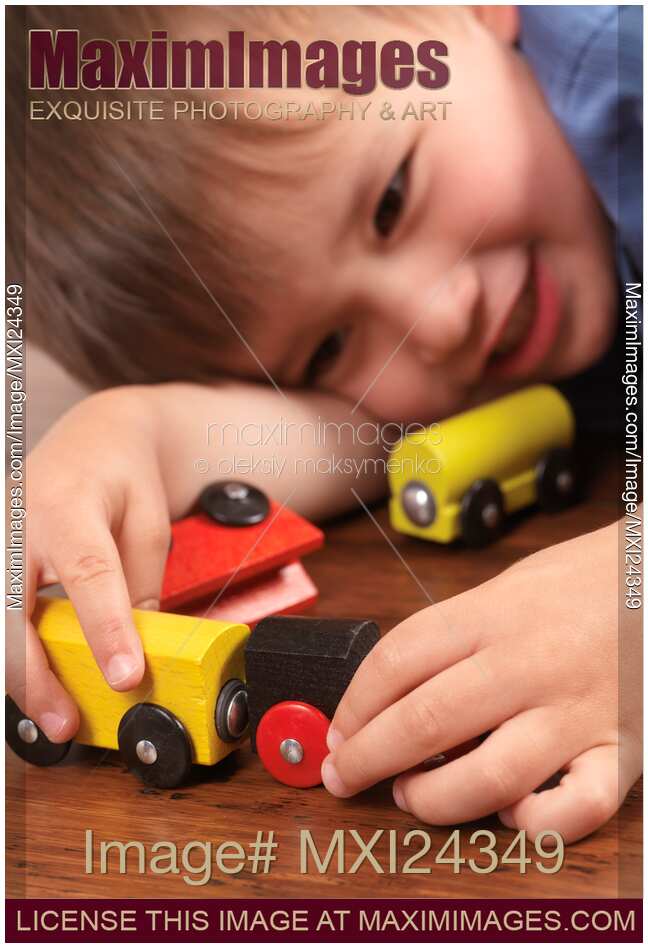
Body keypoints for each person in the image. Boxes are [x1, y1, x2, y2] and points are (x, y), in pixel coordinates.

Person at [8, 5, 641, 844]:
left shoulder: (623, 60)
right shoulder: (493, 332)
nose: (436, 320)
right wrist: (136, 435)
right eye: (331, 346)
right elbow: (362, 437)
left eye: (390, 202)